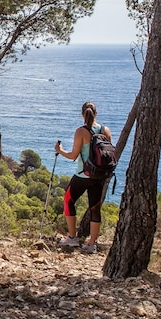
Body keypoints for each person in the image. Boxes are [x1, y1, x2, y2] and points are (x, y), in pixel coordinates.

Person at [54, 101, 112, 254]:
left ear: (82, 114)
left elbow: (73, 156)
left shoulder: (81, 132)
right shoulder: (105, 130)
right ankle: (91, 243)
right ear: (96, 113)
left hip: (83, 174)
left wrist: (60, 150)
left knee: (68, 200)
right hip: (99, 175)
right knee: (95, 208)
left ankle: (72, 237)